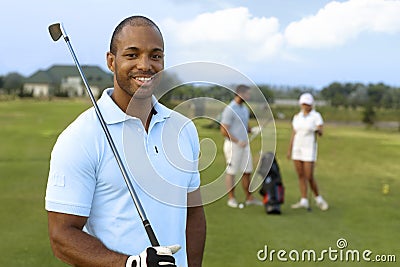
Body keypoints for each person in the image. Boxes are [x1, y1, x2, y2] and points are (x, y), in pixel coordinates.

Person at [45, 16, 206, 267]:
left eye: (155, 55)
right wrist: (130, 263)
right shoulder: (80, 137)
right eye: (132, 55)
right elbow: (62, 237)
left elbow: (193, 214)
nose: (145, 65)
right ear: (111, 61)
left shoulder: (183, 129)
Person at [220, 84, 263, 208]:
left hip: (245, 146)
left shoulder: (244, 109)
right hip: (233, 146)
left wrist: (253, 130)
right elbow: (224, 130)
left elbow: (245, 127)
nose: (248, 96)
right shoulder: (230, 109)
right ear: (240, 94)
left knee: (247, 171)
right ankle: (231, 198)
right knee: (232, 172)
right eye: (247, 94)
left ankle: (249, 198)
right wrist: (237, 141)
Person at [287, 93, 329, 211]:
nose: (306, 106)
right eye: (304, 104)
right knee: (300, 175)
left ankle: (318, 199)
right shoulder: (297, 117)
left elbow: (321, 131)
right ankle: (304, 199)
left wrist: (318, 130)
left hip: (309, 148)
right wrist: (289, 150)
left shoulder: (316, 116)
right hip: (297, 148)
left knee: (309, 175)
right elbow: (294, 133)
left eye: (308, 104)